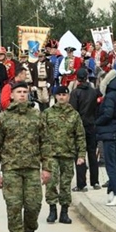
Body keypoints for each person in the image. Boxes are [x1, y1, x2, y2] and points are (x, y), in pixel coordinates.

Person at [0, 81, 52, 232]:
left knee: (33, 206)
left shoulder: (36, 116)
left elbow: (45, 143)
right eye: (19, 92)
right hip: (11, 170)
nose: (22, 95)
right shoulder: (3, 118)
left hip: (32, 168)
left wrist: (46, 168)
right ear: (12, 95)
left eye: (25, 92)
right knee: (14, 208)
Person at [42, 86, 84, 224]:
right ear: (55, 97)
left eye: (64, 95)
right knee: (51, 182)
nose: (61, 97)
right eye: (59, 95)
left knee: (65, 184)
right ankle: (52, 210)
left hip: (68, 154)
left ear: (68, 97)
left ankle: (64, 212)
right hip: (51, 154)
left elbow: (80, 135)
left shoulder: (74, 115)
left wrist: (81, 155)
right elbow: (41, 134)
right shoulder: (47, 113)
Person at [96, 70, 116, 206]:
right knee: (114, 162)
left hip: (109, 132)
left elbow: (108, 114)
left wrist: (96, 122)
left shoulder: (110, 96)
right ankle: (112, 192)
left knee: (111, 165)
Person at [69, 68, 101, 192]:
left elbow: (73, 112)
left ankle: (81, 184)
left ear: (77, 78)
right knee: (92, 154)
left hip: (79, 127)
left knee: (79, 155)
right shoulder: (94, 92)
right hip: (92, 125)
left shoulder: (75, 93)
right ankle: (95, 181)